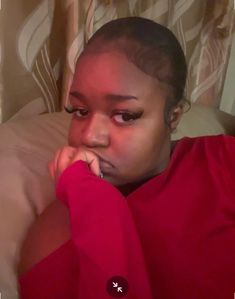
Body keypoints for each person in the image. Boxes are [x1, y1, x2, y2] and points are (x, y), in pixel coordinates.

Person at [17, 17, 235, 299]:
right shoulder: (52, 237)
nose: (90, 137)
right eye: (80, 111)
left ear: (174, 116)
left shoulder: (221, 159)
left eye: (124, 115)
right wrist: (96, 203)